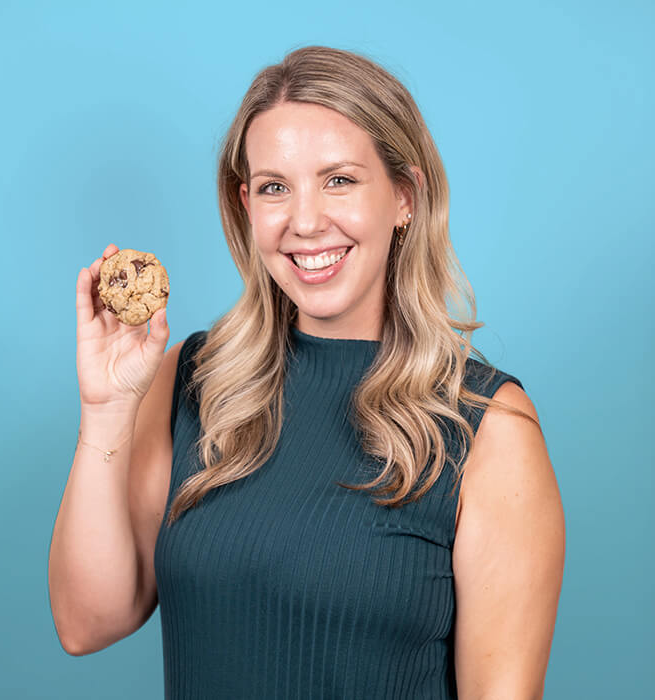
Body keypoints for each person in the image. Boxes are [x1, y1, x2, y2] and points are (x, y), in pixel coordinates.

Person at [48, 45, 565, 699]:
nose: (305, 221)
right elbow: (85, 622)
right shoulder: (195, 381)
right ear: (246, 206)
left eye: (339, 180)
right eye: (274, 188)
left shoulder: (489, 426)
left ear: (404, 196)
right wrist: (105, 411)